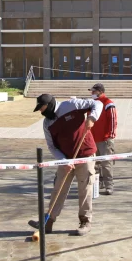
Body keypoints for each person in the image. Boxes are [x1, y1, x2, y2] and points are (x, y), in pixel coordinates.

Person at [28, 93, 102, 236]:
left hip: (85, 155)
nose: (41, 112)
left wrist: (92, 118)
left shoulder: (71, 105)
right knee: (58, 189)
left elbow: (97, 104)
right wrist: (63, 161)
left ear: (49, 105)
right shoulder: (47, 124)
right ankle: (48, 221)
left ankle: (85, 221)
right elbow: (52, 147)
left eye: (42, 108)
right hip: (65, 159)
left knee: (85, 189)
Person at [89, 83, 118, 196]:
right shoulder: (92, 104)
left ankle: (109, 185)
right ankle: (98, 183)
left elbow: (113, 120)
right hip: (93, 139)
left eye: (93, 91)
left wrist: (110, 135)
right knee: (94, 164)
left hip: (105, 139)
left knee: (106, 164)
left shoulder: (108, 103)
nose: (91, 94)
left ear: (100, 92)